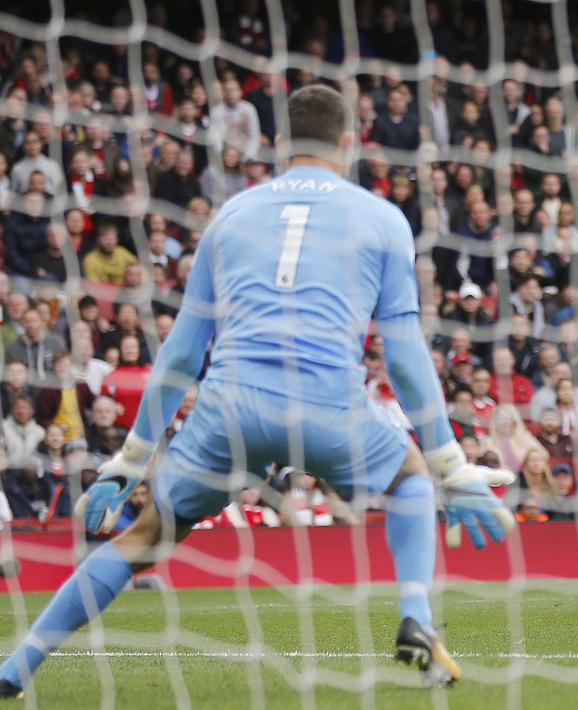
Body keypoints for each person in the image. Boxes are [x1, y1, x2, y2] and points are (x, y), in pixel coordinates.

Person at [0, 85, 514, 697]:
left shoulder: (230, 216)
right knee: (410, 476)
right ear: (348, 142)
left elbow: (183, 353)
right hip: (327, 402)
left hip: (230, 409)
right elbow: (402, 356)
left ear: (276, 145)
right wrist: (450, 463)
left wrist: (131, 458)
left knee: (145, 537)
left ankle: (14, 669)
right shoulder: (381, 217)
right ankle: (416, 620)